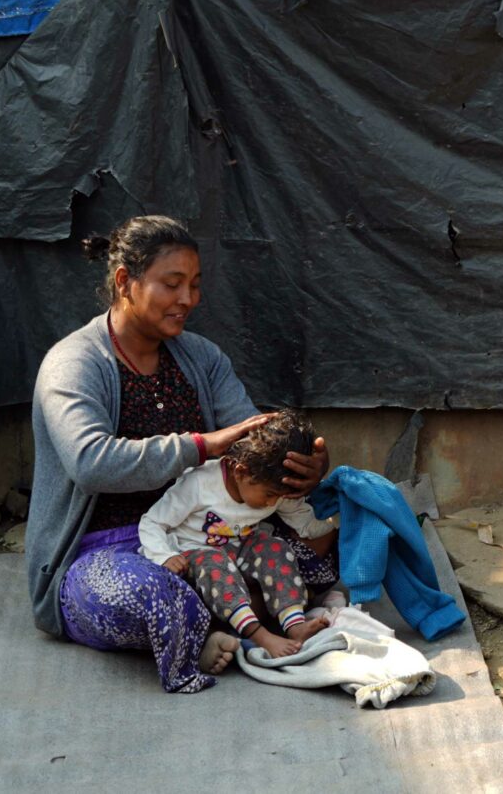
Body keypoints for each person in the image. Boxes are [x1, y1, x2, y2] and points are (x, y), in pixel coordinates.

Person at [27, 214, 334, 694]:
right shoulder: (74, 364)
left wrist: (302, 464)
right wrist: (201, 445)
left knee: (327, 536)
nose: (189, 299)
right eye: (172, 284)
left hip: (206, 540)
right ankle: (215, 619)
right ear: (125, 282)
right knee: (145, 596)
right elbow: (90, 463)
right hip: (106, 552)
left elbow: (252, 440)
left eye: (194, 285)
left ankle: (222, 616)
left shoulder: (202, 358)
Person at [138, 410, 338, 660]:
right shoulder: (199, 484)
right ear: (241, 472)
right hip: (194, 555)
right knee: (215, 563)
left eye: (279, 497)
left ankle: (294, 624)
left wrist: (340, 519)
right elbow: (153, 522)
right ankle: (259, 635)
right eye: (269, 495)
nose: (272, 503)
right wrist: (164, 556)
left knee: (274, 547)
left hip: (238, 549)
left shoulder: (272, 487)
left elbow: (303, 522)